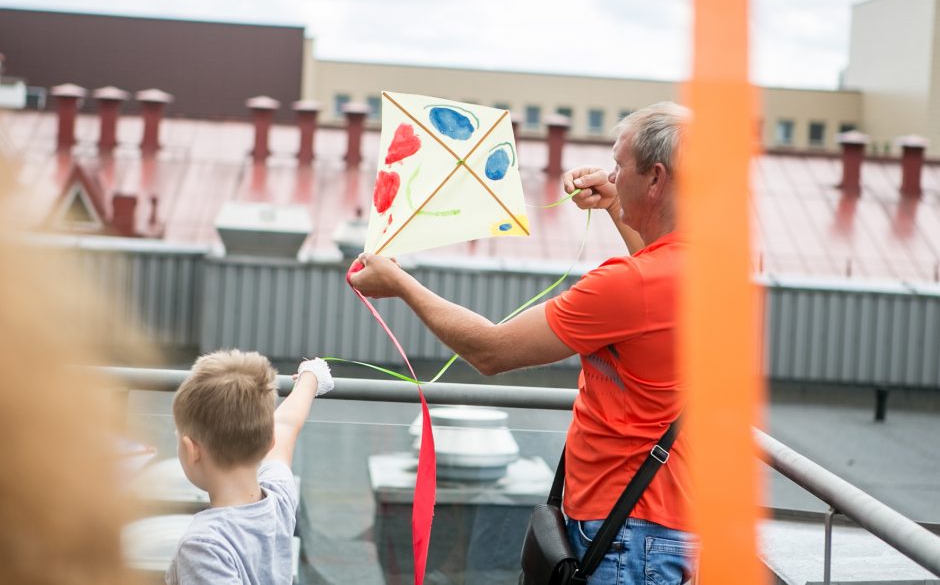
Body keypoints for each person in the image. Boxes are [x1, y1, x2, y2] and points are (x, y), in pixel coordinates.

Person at [349, 102, 696, 584]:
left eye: (619, 165)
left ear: (656, 179)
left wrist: (401, 285)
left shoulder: (629, 284)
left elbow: (491, 351)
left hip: (626, 533)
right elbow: (658, 279)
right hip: (661, 523)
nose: (611, 175)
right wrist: (617, 205)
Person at [166, 351, 334, 585]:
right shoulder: (279, 498)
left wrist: (311, 376)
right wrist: (311, 376)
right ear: (268, 442)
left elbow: (283, 426)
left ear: (191, 450)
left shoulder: (202, 546)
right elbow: (285, 425)